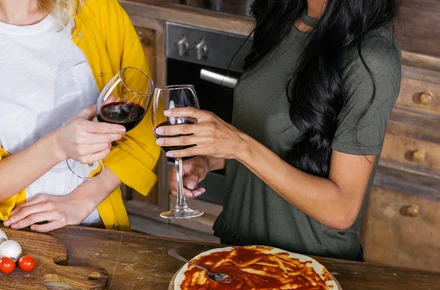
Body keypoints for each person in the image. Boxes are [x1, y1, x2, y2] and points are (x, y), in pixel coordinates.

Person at [157, 0, 401, 260]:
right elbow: (273, 143)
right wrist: (207, 160)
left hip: (309, 266)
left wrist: (239, 146)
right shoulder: (285, 17)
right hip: (240, 248)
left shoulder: (372, 57)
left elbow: (341, 211)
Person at [0, 0, 159, 233]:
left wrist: (81, 201)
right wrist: (58, 146)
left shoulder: (95, 9)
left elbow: (141, 129)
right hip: (6, 237)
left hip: (99, 226)